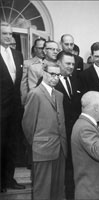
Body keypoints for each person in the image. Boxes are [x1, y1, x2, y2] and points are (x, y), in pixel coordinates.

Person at [22, 63, 67, 200]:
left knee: (58, 189)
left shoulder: (59, 95)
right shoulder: (35, 94)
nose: (55, 78)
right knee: (42, 190)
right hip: (42, 149)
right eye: (52, 74)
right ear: (44, 73)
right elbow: (27, 125)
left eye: (58, 75)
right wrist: (37, 144)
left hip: (60, 148)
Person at [0, 21, 25, 192]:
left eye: (10, 33)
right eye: (5, 33)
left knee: (12, 145)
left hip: (15, 110)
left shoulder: (18, 54)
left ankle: (9, 179)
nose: (9, 36)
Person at [55, 51, 82, 199]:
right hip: (58, 135)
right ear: (58, 63)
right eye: (68, 63)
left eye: (73, 64)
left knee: (72, 171)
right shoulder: (48, 81)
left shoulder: (76, 81)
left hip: (74, 135)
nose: (71, 66)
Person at [20, 38, 46, 105]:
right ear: (35, 49)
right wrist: (25, 101)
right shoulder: (27, 63)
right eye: (40, 48)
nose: (43, 50)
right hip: (33, 99)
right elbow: (24, 85)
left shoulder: (50, 63)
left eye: (45, 48)